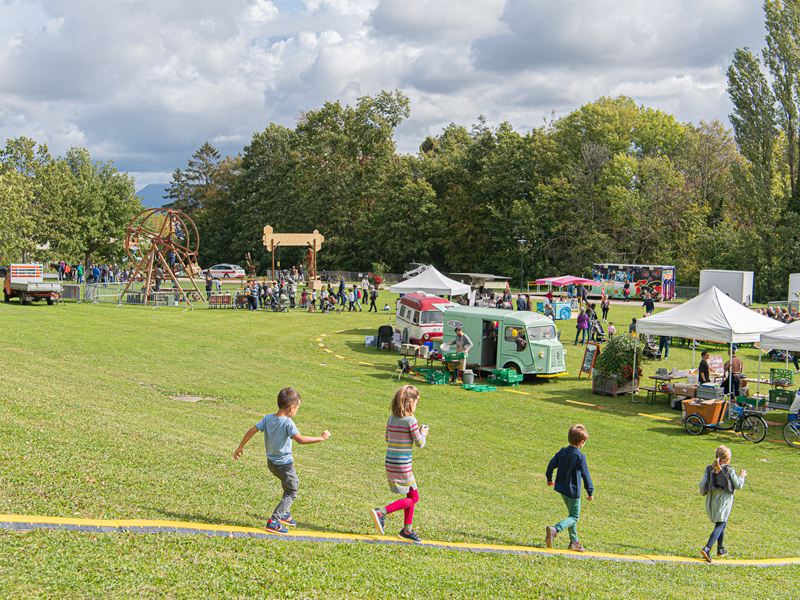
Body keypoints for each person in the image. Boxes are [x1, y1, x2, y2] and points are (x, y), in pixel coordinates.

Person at [233, 387, 331, 535]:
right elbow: (300, 439)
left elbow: (252, 430)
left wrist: (240, 447)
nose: (296, 411)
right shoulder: (287, 422)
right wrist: (321, 437)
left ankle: (285, 514)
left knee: (287, 486)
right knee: (292, 491)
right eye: (297, 408)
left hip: (271, 463)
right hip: (284, 465)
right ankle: (274, 521)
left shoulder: (267, 418)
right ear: (292, 408)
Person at [370, 385, 430, 543]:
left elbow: (387, 438)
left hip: (390, 461)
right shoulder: (411, 420)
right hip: (402, 464)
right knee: (414, 498)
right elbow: (420, 443)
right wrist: (422, 433)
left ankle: (407, 530)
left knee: (411, 494)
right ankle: (382, 512)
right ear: (410, 402)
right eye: (416, 402)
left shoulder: (392, 417)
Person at [544, 424, 594, 553]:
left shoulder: (562, 451)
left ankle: (574, 542)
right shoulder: (580, 457)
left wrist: (549, 478)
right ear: (582, 442)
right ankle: (555, 530)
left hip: (562, 489)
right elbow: (586, 476)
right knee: (574, 517)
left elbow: (551, 464)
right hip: (573, 493)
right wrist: (590, 491)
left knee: (571, 516)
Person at [698, 445, 746, 562]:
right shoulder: (730, 470)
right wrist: (742, 477)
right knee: (721, 523)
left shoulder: (709, 468)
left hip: (712, 498)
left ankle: (720, 549)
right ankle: (707, 548)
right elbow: (738, 485)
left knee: (722, 522)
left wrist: (703, 492)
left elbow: (702, 483)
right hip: (725, 499)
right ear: (728, 459)